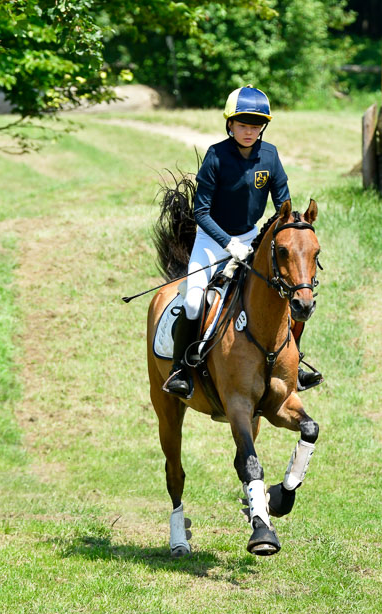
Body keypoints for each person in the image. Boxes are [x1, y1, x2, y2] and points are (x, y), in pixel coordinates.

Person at [163, 84, 321, 397]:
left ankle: (295, 363)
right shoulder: (216, 156)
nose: (249, 132)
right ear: (230, 125)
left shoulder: (270, 156)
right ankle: (181, 369)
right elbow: (201, 212)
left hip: (251, 239)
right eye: (243, 125)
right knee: (194, 299)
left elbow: (283, 205)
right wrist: (227, 244)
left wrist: (292, 231)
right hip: (211, 241)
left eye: (255, 126)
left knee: (291, 295)